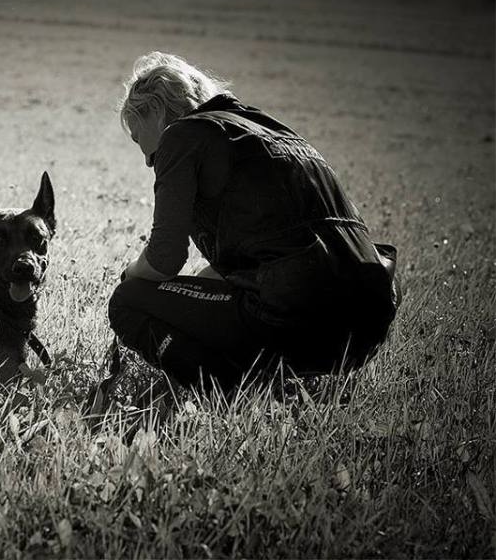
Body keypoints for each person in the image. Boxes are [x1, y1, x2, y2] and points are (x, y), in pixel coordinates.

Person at [108, 51, 400, 391]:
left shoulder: (180, 136)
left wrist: (131, 275)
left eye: (138, 138)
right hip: (368, 322)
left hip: (293, 316)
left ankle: (231, 389)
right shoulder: (271, 130)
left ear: (156, 111)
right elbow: (279, 244)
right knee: (206, 290)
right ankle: (270, 381)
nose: (147, 160)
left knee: (127, 299)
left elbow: (164, 260)